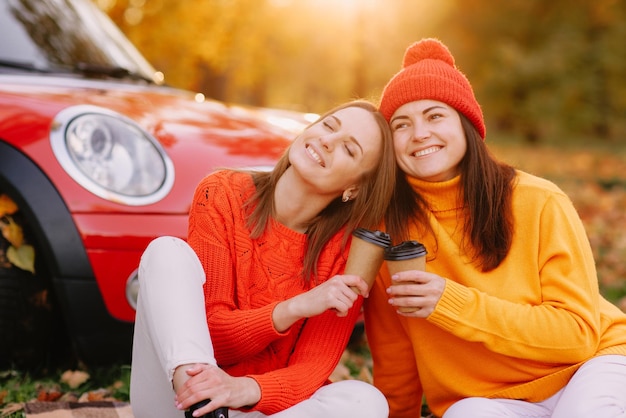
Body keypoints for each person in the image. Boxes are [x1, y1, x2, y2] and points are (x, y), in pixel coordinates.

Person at [364, 38, 626, 418]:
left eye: (435, 116)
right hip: (490, 401)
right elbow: (395, 360)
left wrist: (451, 304)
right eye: (401, 124)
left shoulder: (538, 201)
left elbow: (577, 336)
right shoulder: (389, 232)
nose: (418, 133)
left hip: (588, 367)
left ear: (466, 124)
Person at [130, 99, 395, 418]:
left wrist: (237, 389)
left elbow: (308, 374)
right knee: (166, 251)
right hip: (176, 398)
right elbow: (213, 336)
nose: (327, 140)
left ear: (354, 188)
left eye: (349, 149)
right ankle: (203, 410)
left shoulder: (347, 257)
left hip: (258, 406)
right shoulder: (222, 193)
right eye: (328, 126)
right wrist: (295, 308)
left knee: (366, 400)